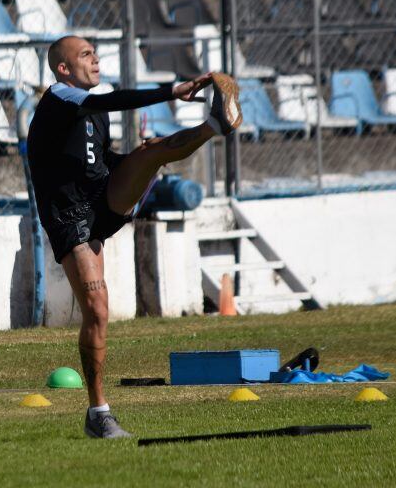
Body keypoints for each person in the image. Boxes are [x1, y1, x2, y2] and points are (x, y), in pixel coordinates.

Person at [26, 35, 242, 439]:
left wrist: (137, 163)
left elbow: (102, 159)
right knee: (98, 309)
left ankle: (216, 123)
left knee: (150, 150)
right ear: (63, 69)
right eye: (85, 54)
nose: (95, 59)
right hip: (70, 218)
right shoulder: (61, 97)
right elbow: (111, 101)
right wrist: (170, 92)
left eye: (95, 52)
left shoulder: (91, 108)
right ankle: (98, 412)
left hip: (101, 200)